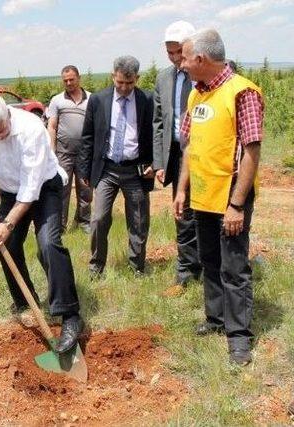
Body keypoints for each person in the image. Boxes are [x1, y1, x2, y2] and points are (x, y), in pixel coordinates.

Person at [0, 94, 82, 354]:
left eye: (0, 131)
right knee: (6, 246)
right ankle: (25, 302)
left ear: (7, 115)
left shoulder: (32, 128)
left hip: (44, 189)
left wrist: (7, 223)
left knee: (48, 244)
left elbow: (31, 188)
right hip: (10, 192)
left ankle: (70, 316)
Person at [174, 28, 264, 366]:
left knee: (234, 267)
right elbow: (190, 146)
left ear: (201, 58)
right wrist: (182, 189)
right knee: (209, 261)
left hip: (229, 197)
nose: (181, 64)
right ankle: (215, 319)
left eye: (184, 57)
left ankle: (239, 337)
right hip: (202, 196)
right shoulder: (196, 94)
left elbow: (251, 152)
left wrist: (236, 205)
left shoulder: (243, 92)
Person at [78, 55, 154, 276]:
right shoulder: (98, 100)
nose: (124, 87)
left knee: (139, 222)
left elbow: (153, 135)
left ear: (137, 78)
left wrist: (153, 164)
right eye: (120, 82)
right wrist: (83, 169)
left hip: (135, 171)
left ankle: (136, 267)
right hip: (106, 170)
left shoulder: (146, 100)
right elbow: (88, 137)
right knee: (99, 218)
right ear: (113, 76)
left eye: (129, 83)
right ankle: (96, 267)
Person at [153, 21, 202, 296]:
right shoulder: (163, 78)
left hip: (204, 154)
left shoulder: (204, 72)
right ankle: (186, 270)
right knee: (182, 212)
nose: (174, 58)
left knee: (206, 213)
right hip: (175, 154)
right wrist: (159, 162)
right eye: (169, 53)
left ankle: (210, 266)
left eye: (178, 52)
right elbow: (158, 121)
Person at [47, 65, 93, 233]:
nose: (68, 83)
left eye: (71, 79)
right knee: (62, 190)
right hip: (63, 154)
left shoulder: (91, 99)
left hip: (85, 155)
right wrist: (52, 151)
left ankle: (84, 222)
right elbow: (51, 126)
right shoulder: (57, 100)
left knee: (86, 190)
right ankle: (60, 226)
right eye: (65, 80)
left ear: (78, 78)